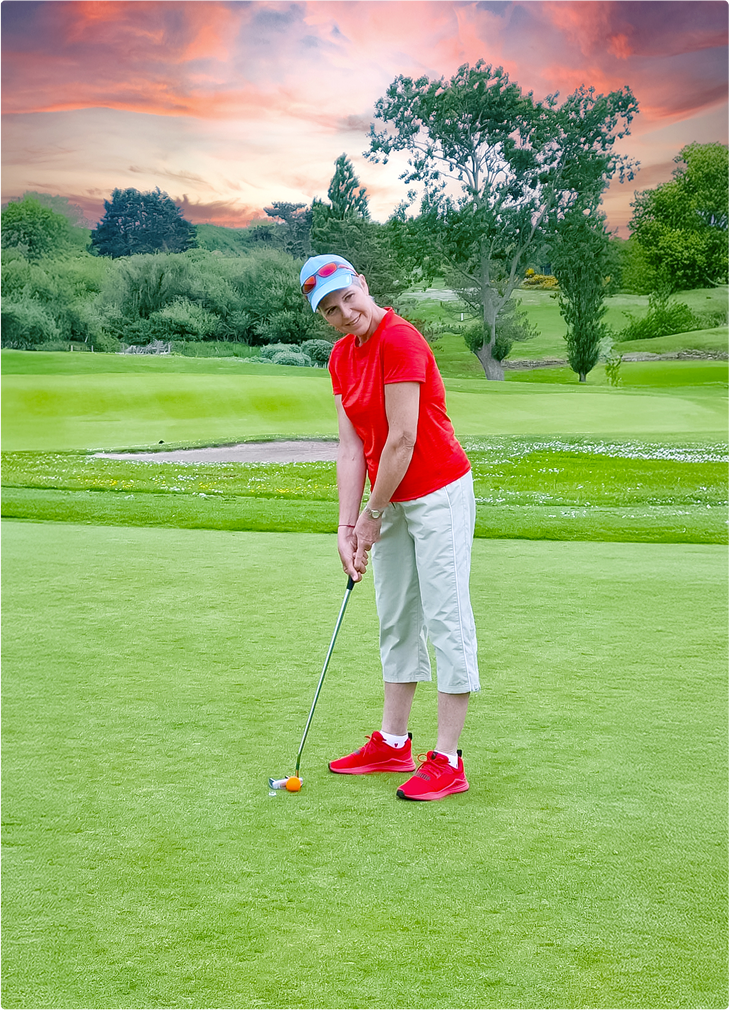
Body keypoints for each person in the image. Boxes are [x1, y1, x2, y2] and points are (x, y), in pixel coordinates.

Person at [300, 254, 480, 801]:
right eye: (330, 310)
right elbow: (352, 446)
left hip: (436, 492)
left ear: (363, 284)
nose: (344, 312)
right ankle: (393, 741)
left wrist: (372, 517)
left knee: (445, 616)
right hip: (389, 497)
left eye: (347, 297)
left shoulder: (401, 340)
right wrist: (346, 525)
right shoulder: (340, 358)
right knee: (396, 615)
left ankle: (448, 759)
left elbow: (401, 439)